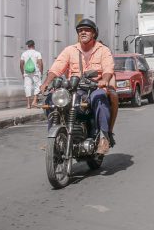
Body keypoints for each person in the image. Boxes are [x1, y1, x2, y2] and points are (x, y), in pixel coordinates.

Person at [41, 19, 114, 155]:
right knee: (52, 99)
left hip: (94, 88)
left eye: (86, 30)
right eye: (80, 30)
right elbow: (57, 67)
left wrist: (104, 80)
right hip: (74, 89)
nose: (83, 32)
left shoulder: (103, 50)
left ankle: (104, 138)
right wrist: (46, 82)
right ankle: (53, 136)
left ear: (94, 33)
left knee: (100, 97)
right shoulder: (70, 50)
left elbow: (108, 68)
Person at [19, 40, 43, 109]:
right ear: (34, 45)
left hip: (27, 73)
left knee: (27, 87)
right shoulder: (37, 53)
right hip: (36, 73)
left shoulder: (24, 54)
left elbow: (21, 64)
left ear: (28, 46)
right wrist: (41, 72)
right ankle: (34, 101)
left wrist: (23, 73)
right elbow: (40, 63)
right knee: (38, 86)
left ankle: (28, 104)